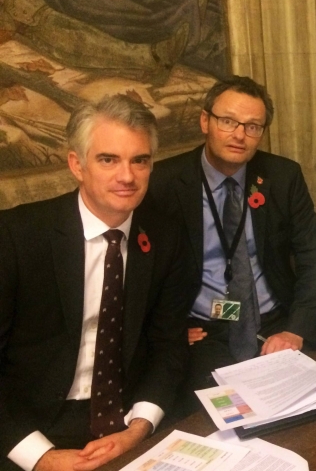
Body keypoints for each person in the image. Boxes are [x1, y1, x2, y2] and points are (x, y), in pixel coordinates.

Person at [0, 95, 189, 471]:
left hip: (127, 421)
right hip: (28, 427)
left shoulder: (165, 236)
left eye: (140, 160)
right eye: (108, 159)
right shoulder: (17, 237)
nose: (127, 176)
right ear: (77, 164)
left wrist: (139, 426)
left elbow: (169, 345)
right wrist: (40, 457)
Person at [146, 76, 316, 403]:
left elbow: (314, 257)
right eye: (228, 121)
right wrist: (167, 330)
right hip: (204, 331)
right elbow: (141, 270)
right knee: (216, 418)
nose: (239, 135)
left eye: (252, 126)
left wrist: (295, 328)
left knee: (309, 409)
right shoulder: (164, 183)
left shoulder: (282, 177)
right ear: (205, 120)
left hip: (275, 323)